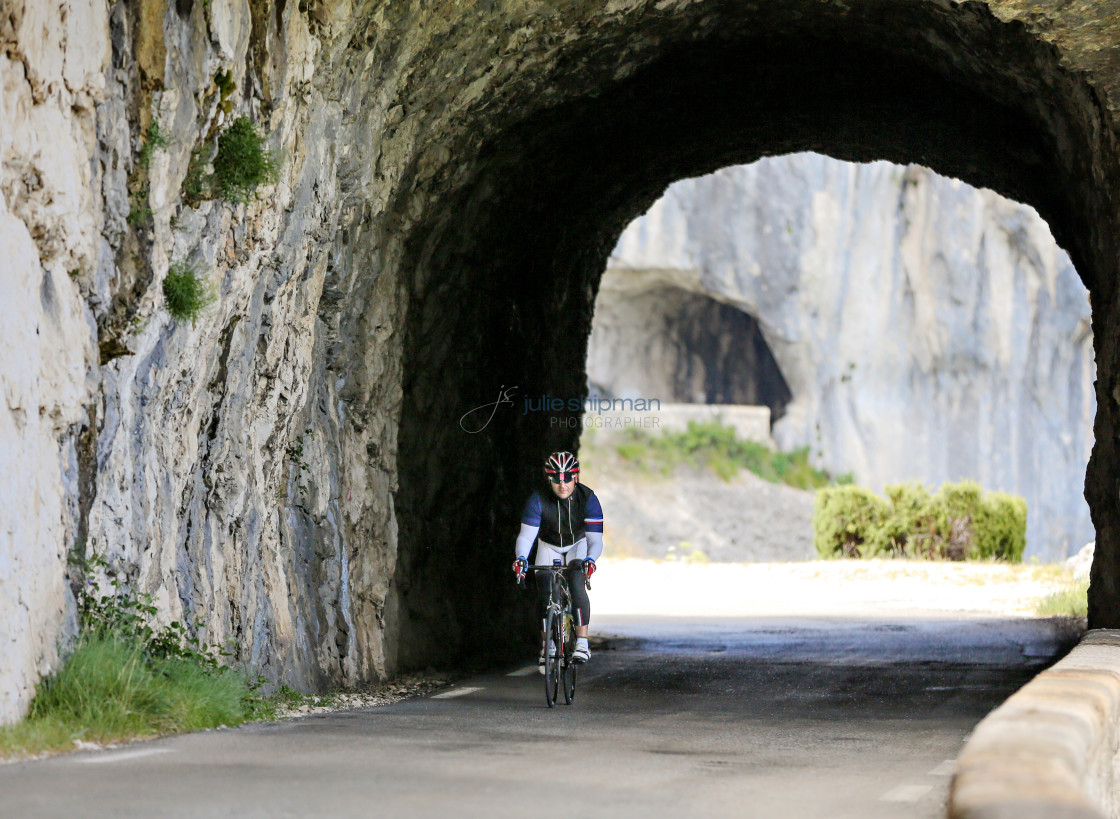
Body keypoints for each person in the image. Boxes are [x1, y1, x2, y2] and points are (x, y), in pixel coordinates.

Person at [512, 451, 604, 671]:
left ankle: (582, 642)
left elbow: (595, 539)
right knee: (544, 591)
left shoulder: (588, 498)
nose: (562, 485)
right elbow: (526, 536)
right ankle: (548, 646)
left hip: (577, 545)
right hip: (548, 545)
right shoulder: (537, 499)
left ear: (576, 477)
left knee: (576, 581)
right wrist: (521, 559)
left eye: (567, 478)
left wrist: (590, 559)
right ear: (549, 479)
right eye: (556, 479)